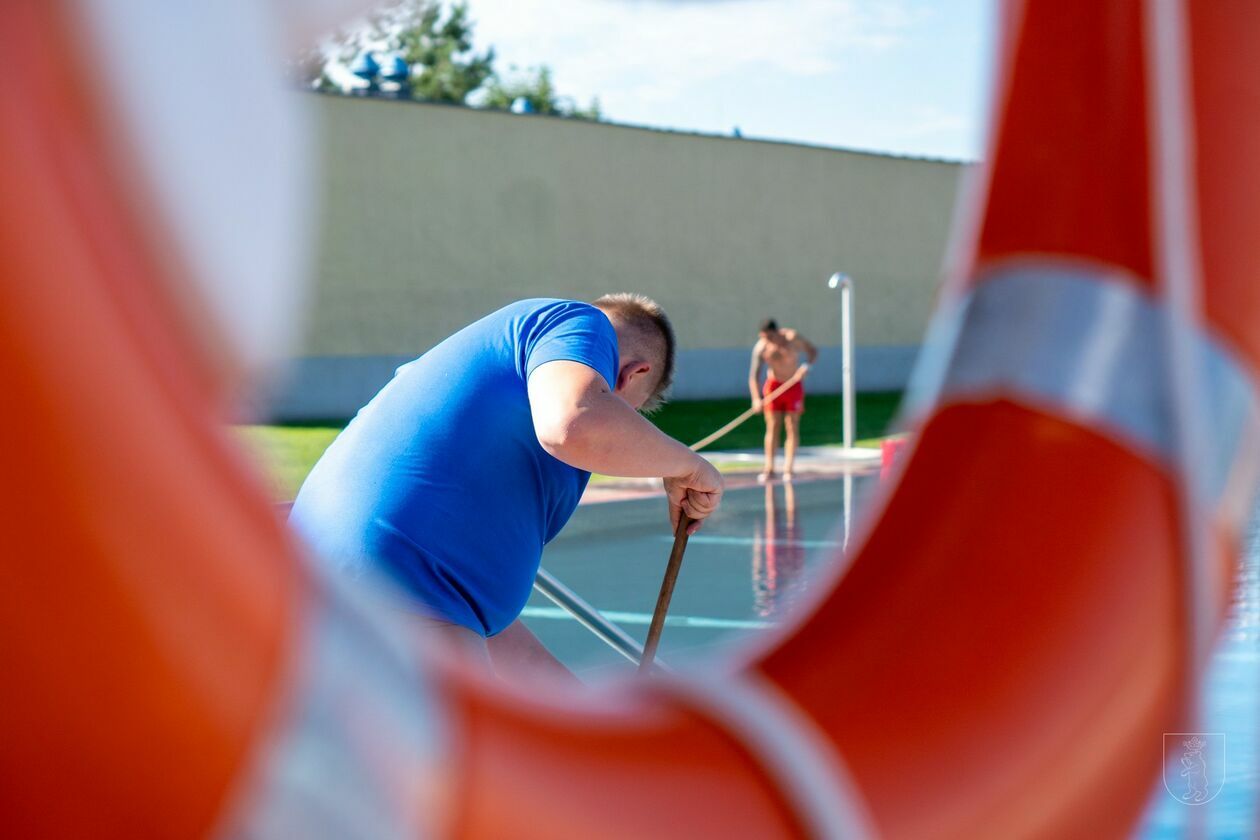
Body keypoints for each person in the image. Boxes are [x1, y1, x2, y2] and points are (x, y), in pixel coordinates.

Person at [289, 294, 723, 679]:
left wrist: (587, 721)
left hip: (328, 586)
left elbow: (487, 623)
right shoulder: (579, 324)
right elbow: (574, 424)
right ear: (632, 375)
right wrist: (687, 465)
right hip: (393, 595)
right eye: (628, 411)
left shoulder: (504, 383)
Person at [748, 318, 818, 482]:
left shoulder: (792, 338)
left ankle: (789, 469)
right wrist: (756, 398)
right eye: (764, 337)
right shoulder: (761, 347)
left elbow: (813, 351)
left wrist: (807, 366)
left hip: (793, 385)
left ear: (777, 332)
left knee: (792, 425)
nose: (768, 341)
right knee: (772, 426)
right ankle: (769, 468)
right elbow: (754, 376)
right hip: (773, 387)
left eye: (770, 337)